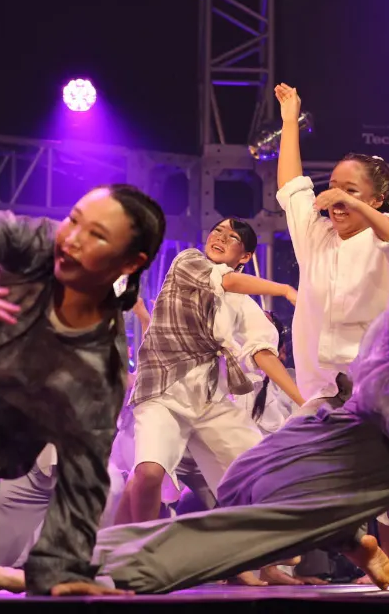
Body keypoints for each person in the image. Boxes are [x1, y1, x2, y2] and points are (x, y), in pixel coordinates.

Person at [0, 288, 389, 595]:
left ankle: (39, 573)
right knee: (229, 521)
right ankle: (45, 571)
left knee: (216, 542)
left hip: (342, 492)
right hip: (311, 448)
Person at [0, 185, 165, 596]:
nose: (73, 238)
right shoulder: (46, 243)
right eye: (74, 219)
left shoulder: (97, 368)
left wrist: (62, 571)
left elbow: (84, 477)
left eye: (97, 235)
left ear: (130, 262)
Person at [273, 85, 389, 415]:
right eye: (333, 188)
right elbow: (291, 188)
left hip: (385, 392)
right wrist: (290, 121)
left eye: (351, 191)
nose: (337, 198)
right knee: (284, 447)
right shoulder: (316, 235)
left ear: (375, 201)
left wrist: (348, 201)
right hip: (326, 392)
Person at [116, 219, 302, 526]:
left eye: (232, 237)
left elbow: (262, 352)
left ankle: (277, 545)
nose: (221, 238)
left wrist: (302, 400)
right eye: (217, 231)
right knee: (148, 472)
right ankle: (137, 547)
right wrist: (284, 289)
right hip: (163, 390)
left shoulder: (243, 303)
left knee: (263, 471)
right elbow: (226, 282)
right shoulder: (188, 261)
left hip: (208, 399)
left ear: (245, 256)